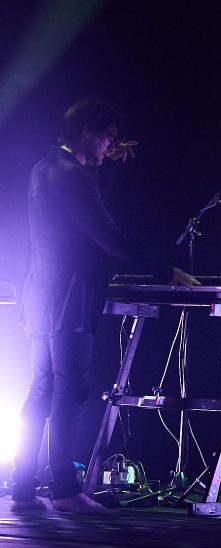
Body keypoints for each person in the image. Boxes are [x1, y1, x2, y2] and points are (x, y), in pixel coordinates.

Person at [12, 99, 198, 514]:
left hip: (41, 296)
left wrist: (105, 163)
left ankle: (23, 488)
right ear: (88, 132)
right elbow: (109, 236)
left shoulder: (45, 168)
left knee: (41, 392)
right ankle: (63, 491)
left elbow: (83, 216)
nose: (111, 145)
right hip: (69, 299)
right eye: (108, 137)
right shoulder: (73, 175)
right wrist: (164, 270)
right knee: (70, 392)